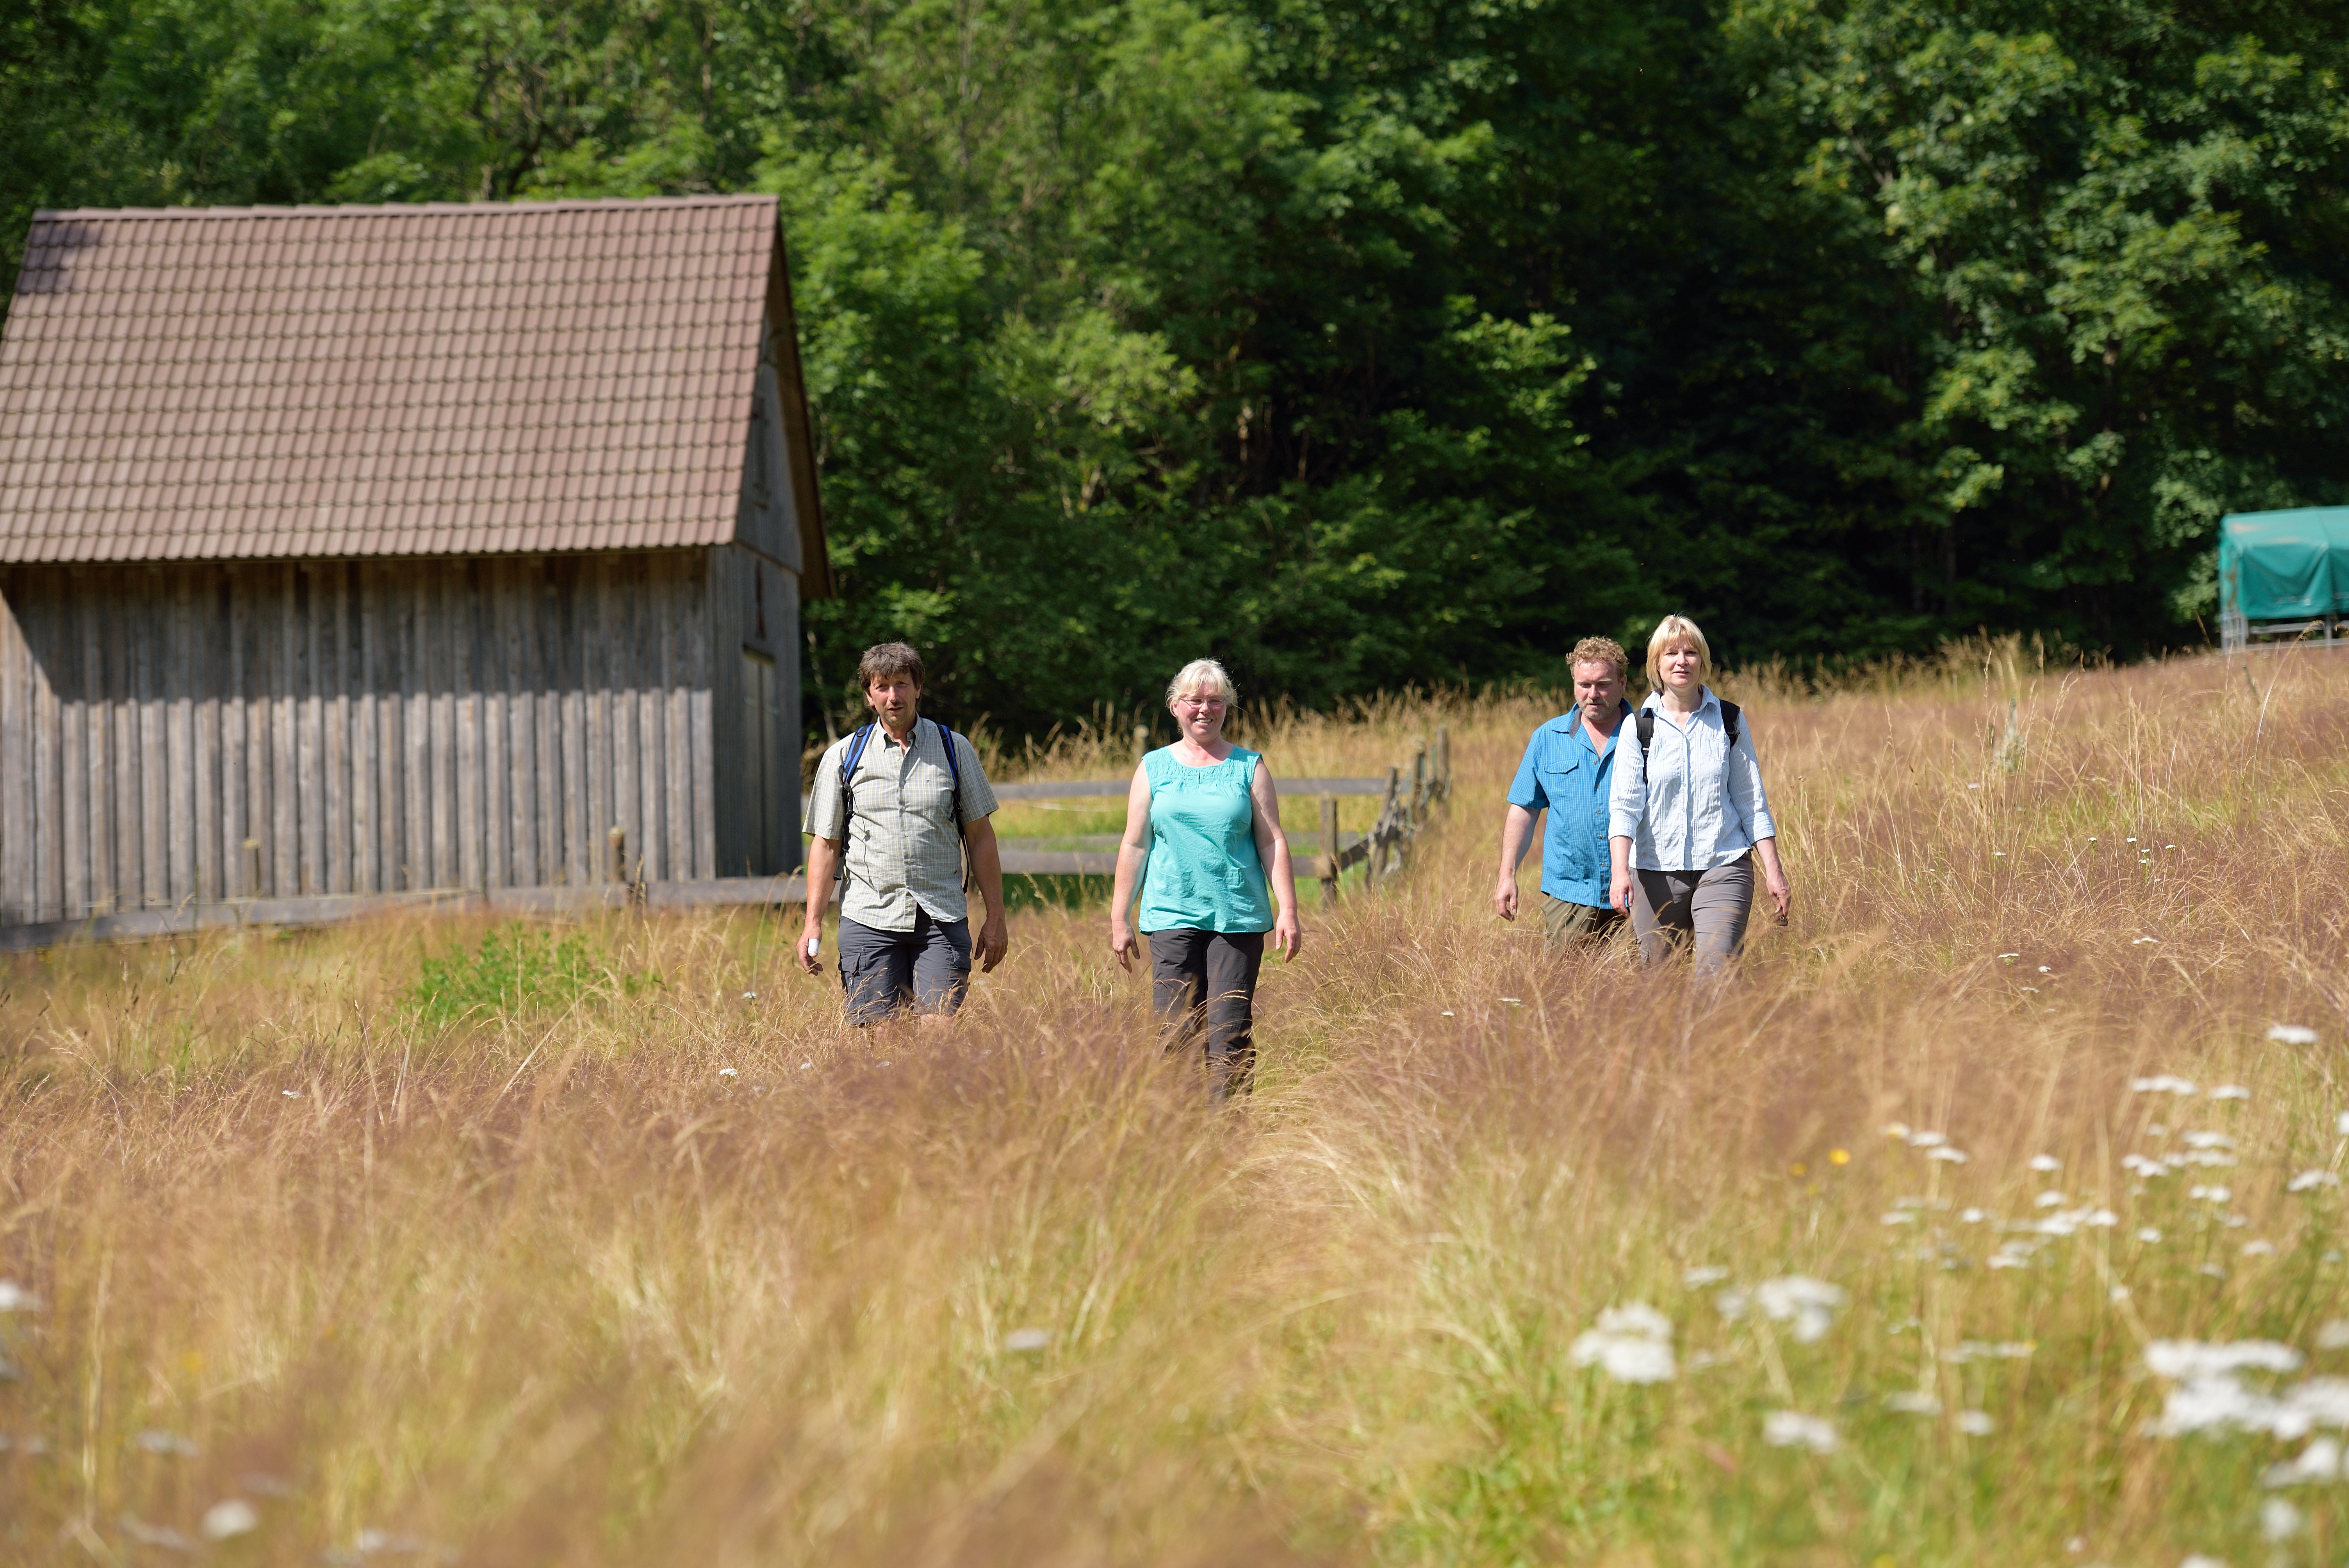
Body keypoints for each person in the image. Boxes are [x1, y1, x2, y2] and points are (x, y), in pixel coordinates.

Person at [1108, 659, 1303, 1102]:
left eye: (1215, 701)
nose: (1205, 709)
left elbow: (1272, 840)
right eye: (1195, 700)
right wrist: (1119, 916)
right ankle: (1179, 1137)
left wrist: (1288, 909)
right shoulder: (1153, 768)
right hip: (1171, 915)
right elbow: (1134, 844)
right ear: (1176, 706)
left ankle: (1229, 1136)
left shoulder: (1248, 766)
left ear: (1226, 707)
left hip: (1236, 917)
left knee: (1229, 1035)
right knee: (1175, 1036)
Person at [800, 642, 1009, 1024]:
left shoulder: (954, 749)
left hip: (940, 919)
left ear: (918, 688)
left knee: (939, 1035)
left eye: (901, 684)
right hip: (868, 919)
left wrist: (996, 915)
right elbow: (826, 844)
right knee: (886, 1046)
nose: (893, 696)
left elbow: (980, 837)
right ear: (869, 695)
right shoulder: (844, 756)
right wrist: (813, 921)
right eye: (882, 686)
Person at [1606, 615, 1792, 974]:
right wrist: (1619, 872)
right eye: (1671, 653)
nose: (1682, 661)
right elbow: (1625, 807)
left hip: (1724, 863)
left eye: (1691, 652)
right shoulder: (1638, 725)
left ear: (1703, 661)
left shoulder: (1729, 719)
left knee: (1716, 976)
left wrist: (1774, 871)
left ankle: (1718, 1030)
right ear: (1656, 664)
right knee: (1659, 985)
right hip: (1654, 870)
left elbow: (1751, 800)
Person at [1494, 635, 1636, 946]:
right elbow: (1523, 810)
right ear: (1573, 684)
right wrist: (1508, 875)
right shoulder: (1548, 738)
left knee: (1640, 988)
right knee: (1564, 989)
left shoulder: (1647, 735)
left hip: (1639, 892)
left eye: (1603, 684)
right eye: (1584, 685)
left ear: (1623, 683)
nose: (1593, 694)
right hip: (1570, 893)